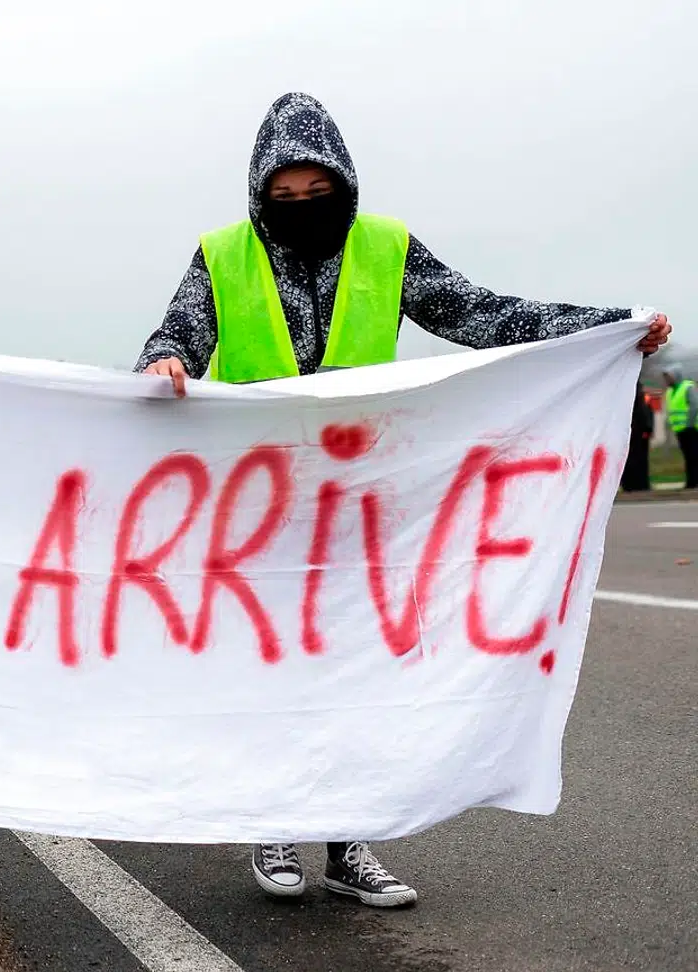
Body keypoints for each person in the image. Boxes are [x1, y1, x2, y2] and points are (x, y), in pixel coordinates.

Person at [135, 92, 671, 909]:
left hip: (364, 503)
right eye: (286, 197)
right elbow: (181, 332)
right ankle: (276, 820)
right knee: (276, 671)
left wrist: (606, 326)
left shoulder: (385, 248)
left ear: (345, 187)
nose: (303, 209)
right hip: (264, 511)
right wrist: (167, 357)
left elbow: (482, 316)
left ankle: (352, 844)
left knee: (359, 674)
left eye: (319, 195)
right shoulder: (223, 254)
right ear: (260, 193)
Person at [662, 366, 697, 488]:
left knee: (693, 456)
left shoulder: (687, 387)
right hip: (680, 429)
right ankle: (691, 481)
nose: (667, 379)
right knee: (688, 456)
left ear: (675, 375)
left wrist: (689, 424)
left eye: (668, 376)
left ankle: (693, 482)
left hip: (691, 429)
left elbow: (694, 406)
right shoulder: (670, 391)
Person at [622, 381, 653, 492]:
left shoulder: (629, 395)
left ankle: (631, 484)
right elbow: (646, 413)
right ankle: (639, 484)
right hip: (638, 433)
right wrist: (648, 428)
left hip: (633, 432)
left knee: (632, 460)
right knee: (639, 461)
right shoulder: (640, 396)